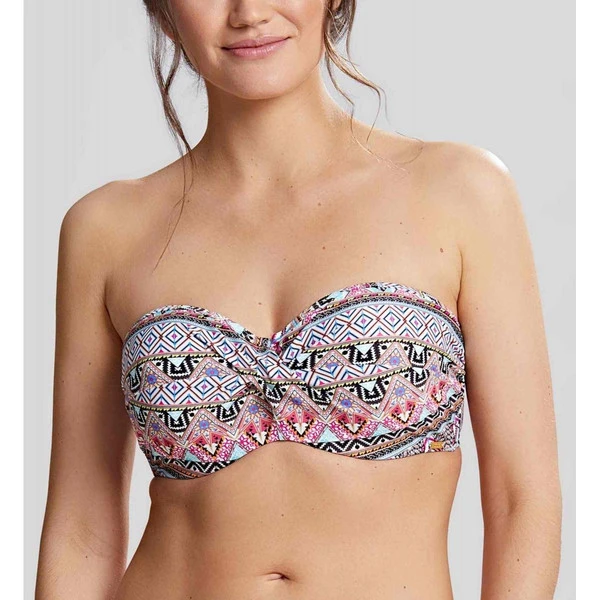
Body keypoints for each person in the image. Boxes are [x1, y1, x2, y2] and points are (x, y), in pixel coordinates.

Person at [35, 1, 562, 598]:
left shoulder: (461, 193)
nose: (249, 12)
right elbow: (81, 526)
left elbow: (522, 500)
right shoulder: (105, 229)